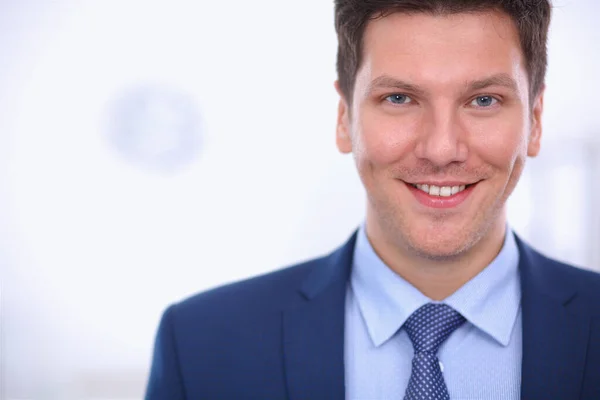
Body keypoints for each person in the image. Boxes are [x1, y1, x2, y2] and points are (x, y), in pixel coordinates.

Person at [145, 1, 600, 399]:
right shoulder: (200, 346)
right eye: (399, 98)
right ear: (344, 119)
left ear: (535, 121)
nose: (441, 149)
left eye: (483, 100)